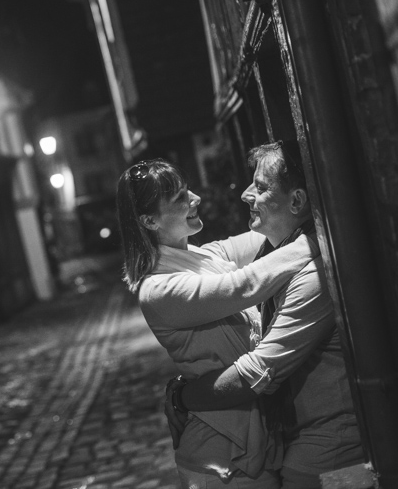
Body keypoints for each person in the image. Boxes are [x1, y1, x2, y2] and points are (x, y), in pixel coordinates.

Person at [165, 140, 365, 488]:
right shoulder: (272, 249)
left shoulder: (314, 275)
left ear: (297, 201)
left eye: (260, 187)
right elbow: (199, 258)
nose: (245, 194)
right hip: (295, 445)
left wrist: (183, 396)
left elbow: (259, 372)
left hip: (329, 455)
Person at [116, 157, 320, 488]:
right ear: (150, 220)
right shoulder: (158, 289)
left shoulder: (207, 255)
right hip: (220, 458)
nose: (195, 199)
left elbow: (273, 228)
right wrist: (319, 237)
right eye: (181, 197)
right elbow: (246, 285)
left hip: (255, 444)